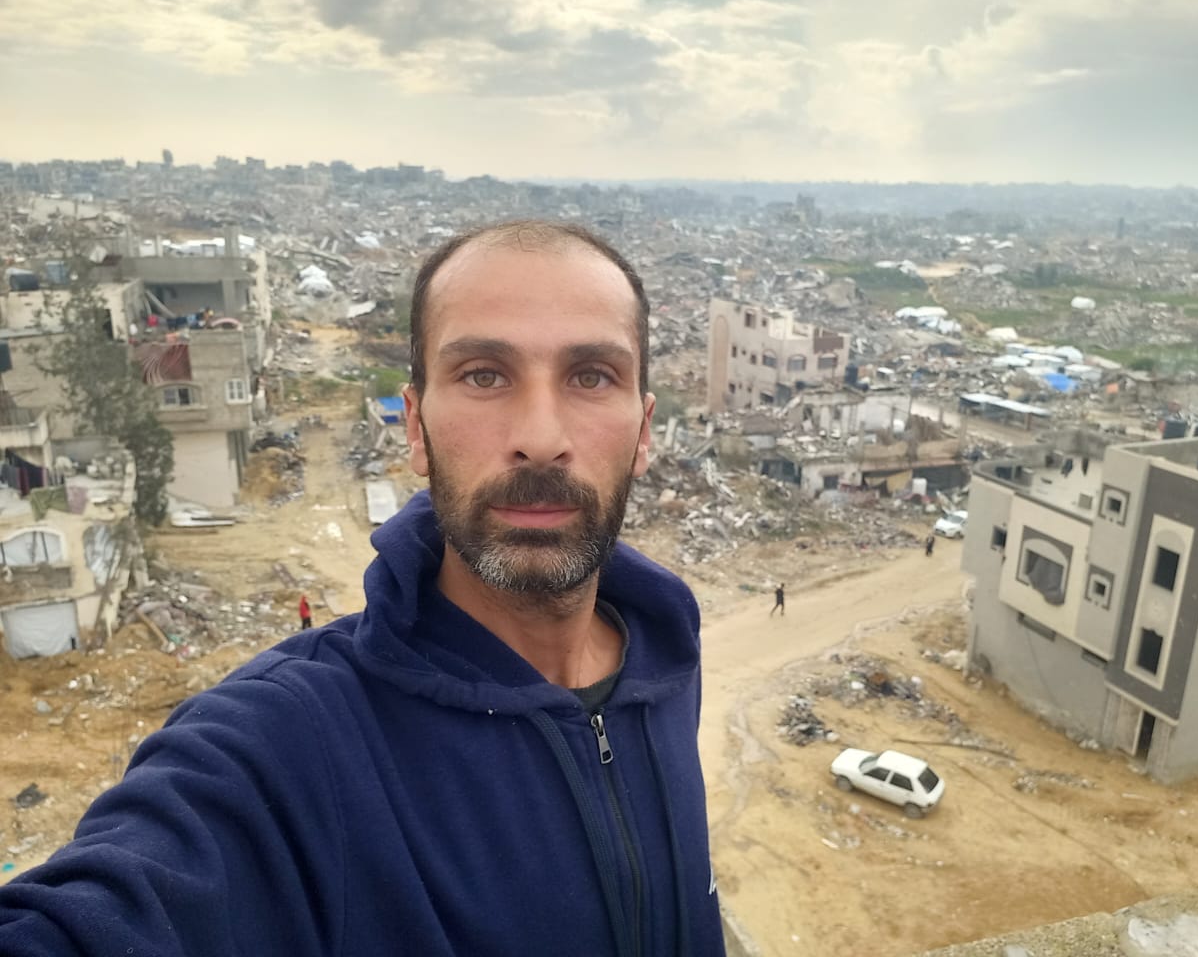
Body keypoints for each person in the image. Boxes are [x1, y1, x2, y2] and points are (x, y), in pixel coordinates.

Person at [0, 221, 727, 957]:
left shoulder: (664, 664)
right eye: (483, 374)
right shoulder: (290, 745)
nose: (540, 437)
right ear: (415, 428)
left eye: (591, 376)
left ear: (643, 432)